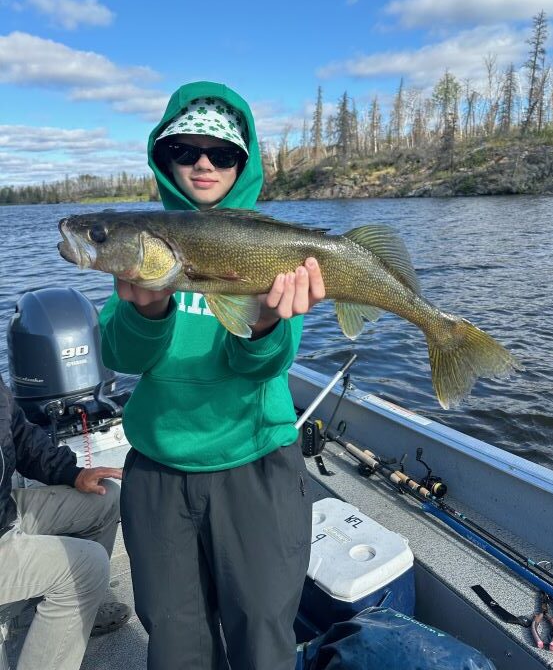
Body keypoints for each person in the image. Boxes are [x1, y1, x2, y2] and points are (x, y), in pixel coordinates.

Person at [99, 81, 325, 670]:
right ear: (164, 156)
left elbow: (266, 365)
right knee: (175, 641)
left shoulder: (275, 246)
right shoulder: (148, 242)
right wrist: (147, 309)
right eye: (186, 149)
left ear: (242, 161)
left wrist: (266, 323)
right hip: (160, 470)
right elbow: (121, 353)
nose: (203, 162)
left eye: (222, 153)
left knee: (261, 633)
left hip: (257, 466)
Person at [0, 373, 131, 670]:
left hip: (5, 512)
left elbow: (20, 437)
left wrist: (72, 474)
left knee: (103, 498)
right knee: (85, 568)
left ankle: (83, 612)